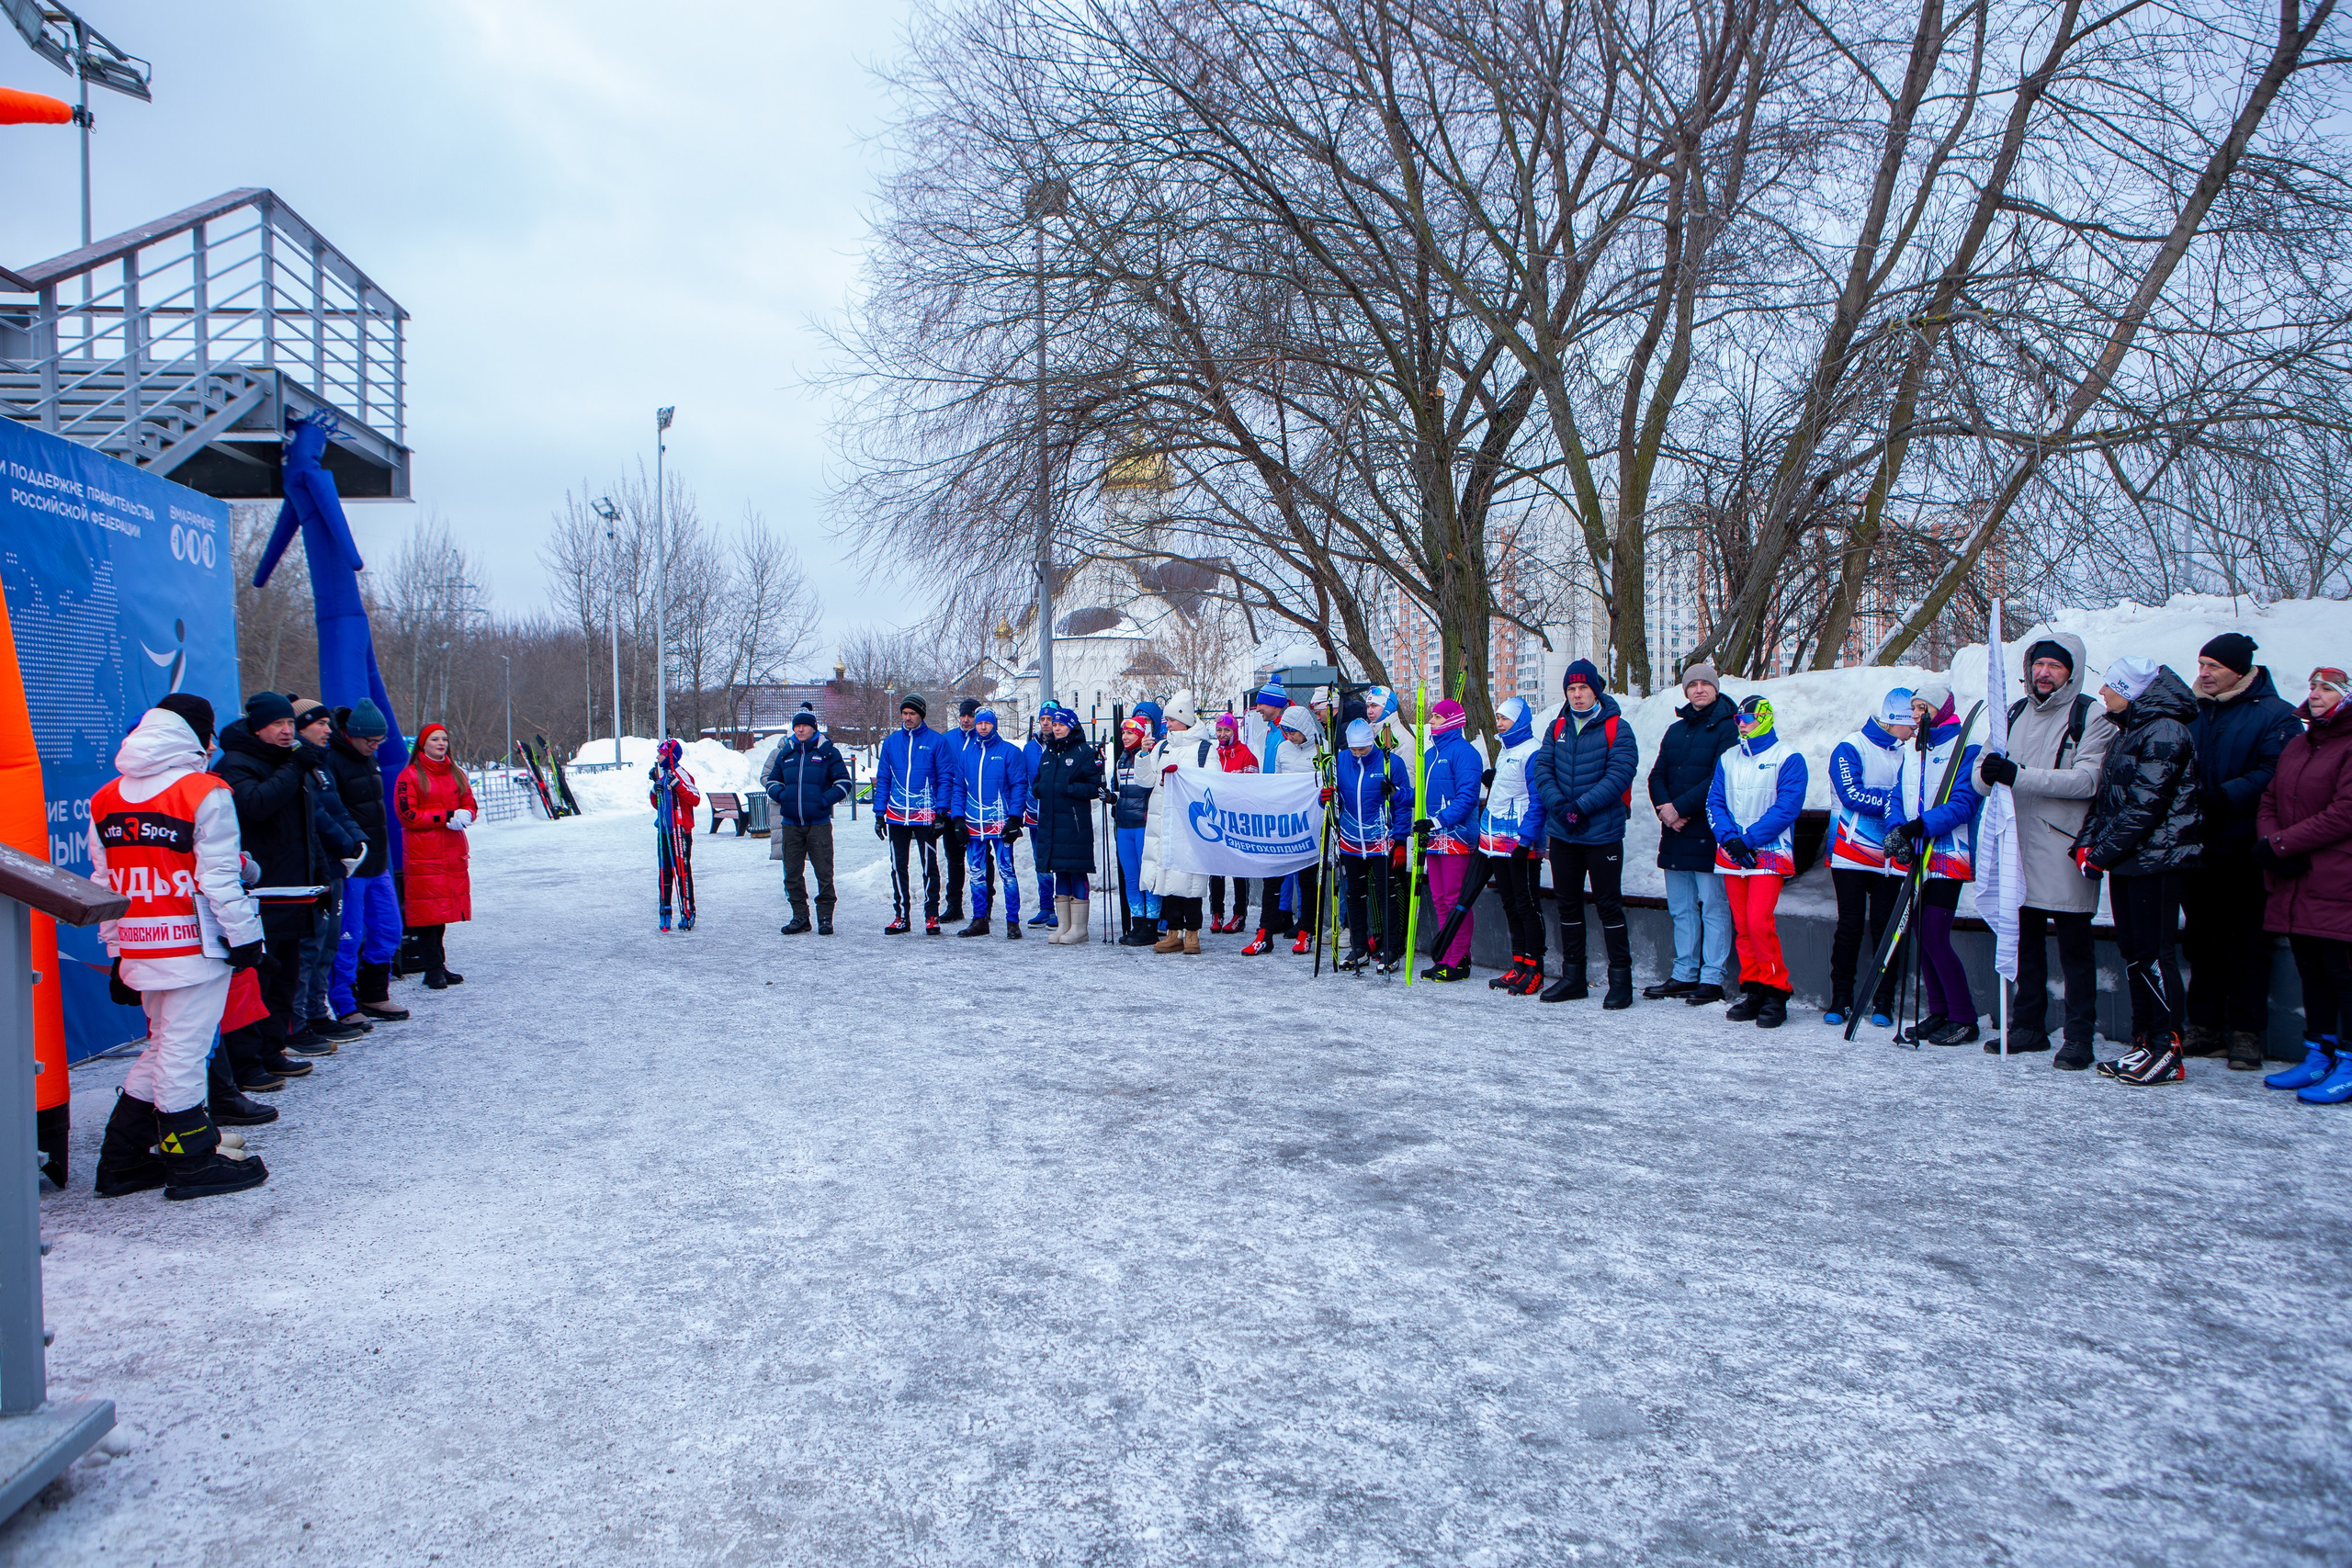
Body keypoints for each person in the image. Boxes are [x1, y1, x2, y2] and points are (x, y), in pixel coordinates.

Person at [89, 697, 269, 1201]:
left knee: (164, 1048)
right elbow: (219, 877)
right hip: (193, 947)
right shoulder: (204, 791)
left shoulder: (106, 798)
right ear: (198, 736)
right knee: (183, 1055)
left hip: (141, 946)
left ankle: (122, 1161)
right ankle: (191, 1162)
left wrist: (117, 953)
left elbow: (104, 884)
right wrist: (247, 938)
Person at [1974, 632, 2114, 1067]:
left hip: (2063, 847)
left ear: (2071, 672)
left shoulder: (2091, 715)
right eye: (2039, 664)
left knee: (2075, 950)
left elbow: (2088, 780)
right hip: (2015, 847)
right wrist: (1990, 773)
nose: (2044, 672)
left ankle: (2078, 1036)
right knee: (2024, 945)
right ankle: (2028, 1026)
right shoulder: (2013, 712)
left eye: (2055, 666)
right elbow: (1981, 774)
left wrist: (2018, 775)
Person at [2075, 657, 2203, 1086]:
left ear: (2130, 691)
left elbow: (2145, 805)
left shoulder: (2165, 730)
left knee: (2153, 953)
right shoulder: (2129, 731)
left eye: (2111, 688)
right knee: (2134, 950)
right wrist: (2088, 843)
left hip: (2157, 859)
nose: (2104, 694)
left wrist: (2102, 853)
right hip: (2130, 859)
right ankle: (2145, 1039)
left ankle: (2167, 1047)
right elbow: (2109, 799)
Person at [2184, 633, 2304, 1069]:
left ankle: (2246, 1033)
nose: (2204, 674)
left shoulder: (2276, 714)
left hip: (2244, 846)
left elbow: (2278, 772)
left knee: (2247, 942)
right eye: (2201, 664)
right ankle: (2204, 1027)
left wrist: (2224, 795)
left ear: (2240, 669)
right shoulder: (2192, 710)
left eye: (2213, 666)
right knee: (2201, 940)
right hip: (2197, 846)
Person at [214, 691, 327, 1087]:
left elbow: (306, 824)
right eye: (277, 724)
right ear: (257, 727)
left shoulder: (290, 761)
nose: (286, 731)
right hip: (259, 891)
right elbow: (255, 805)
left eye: (289, 724)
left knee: (286, 977)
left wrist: (320, 877)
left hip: (294, 888)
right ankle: (247, 1062)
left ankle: (273, 1049)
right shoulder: (235, 762)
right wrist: (294, 769)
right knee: (256, 980)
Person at [2258, 666, 2352, 1103]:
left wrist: (2280, 844)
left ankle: (2349, 1063)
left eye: (2327, 689)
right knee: (2311, 970)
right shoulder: (2300, 742)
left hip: (2337, 879)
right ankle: (2320, 1054)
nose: (2315, 694)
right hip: (2296, 878)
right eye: (2313, 686)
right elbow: (2271, 797)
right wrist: (2272, 841)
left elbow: (2344, 813)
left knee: (2343, 973)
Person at [1529, 661, 1640, 1005]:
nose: (1577, 695)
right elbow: (1542, 768)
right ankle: (1572, 976)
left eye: (1583, 689)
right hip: (1564, 833)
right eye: (1571, 690)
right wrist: (1559, 805)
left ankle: (1621, 981)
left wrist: (1582, 807)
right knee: (1568, 906)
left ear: (1596, 690)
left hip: (1601, 833)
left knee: (1608, 906)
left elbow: (1621, 773)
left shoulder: (1617, 728)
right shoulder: (1556, 726)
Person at [1884, 682, 1986, 1047]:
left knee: (1933, 934)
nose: (1914, 715)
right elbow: (1899, 792)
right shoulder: (1914, 749)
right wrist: (1900, 831)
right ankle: (1940, 1010)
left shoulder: (1964, 748)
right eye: (1913, 709)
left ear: (1940, 710)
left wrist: (1921, 827)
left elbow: (1963, 803)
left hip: (1948, 852)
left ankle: (1964, 1016)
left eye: (1921, 709)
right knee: (1917, 932)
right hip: (1918, 852)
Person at [1706, 695, 1807, 1028]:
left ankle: (1777, 989)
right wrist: (1729, 838)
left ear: (1764, 717)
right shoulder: (1728, 757)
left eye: (1747, 718)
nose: (1742, 724)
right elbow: (1715, 802)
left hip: (1769, 854)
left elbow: (1787, 807)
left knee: (1759, 921)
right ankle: (1753, 988)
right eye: (1738, 719)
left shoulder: (1788, 757)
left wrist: (1748, 840)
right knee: (1743, 925)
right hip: (1733, 853)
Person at [1646, 664, 1740, 1006]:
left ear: (1715, 688)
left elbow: (1720, 776)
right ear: (1685, 691)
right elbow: (1657, 775)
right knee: (1681, 907)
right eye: (1693, 685)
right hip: (1675, 831)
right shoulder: (1676, 730)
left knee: (1713, 906)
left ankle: (1712, 977)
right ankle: (1684, 973)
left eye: (1705, 684)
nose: (1699, 690)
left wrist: (1680, 808)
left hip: (1707, 829)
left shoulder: (1729, 728)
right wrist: (1665, 809)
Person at [1445, 696, 1547, 992]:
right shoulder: (1506, 749)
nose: (1499, 723)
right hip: (1496, 842)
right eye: (1499, 718)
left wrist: (1526, 841)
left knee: (1527, 905)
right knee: (1510, 903)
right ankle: (1518, 965)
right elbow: (1507, 791)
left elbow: (1536, 800)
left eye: (1506, 719)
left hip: (1520, 843)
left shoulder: (1532, 751)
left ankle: (1535, 966)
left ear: (1520, 721)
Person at [288, 700, 366, 1049]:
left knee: (327, 944)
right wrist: (345, 843)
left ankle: (318, 1013)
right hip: (311, 867)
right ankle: (299, 1022)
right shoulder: (295, 762)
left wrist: (358, 843)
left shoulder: (321, 764)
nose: (328, 729)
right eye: (319, 723)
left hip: (334, 865)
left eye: (327, 723)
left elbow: (337, 807)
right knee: (309, 946)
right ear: (299, 726)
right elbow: (317, 815)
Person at [325, 700, 407, 1026]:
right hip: (350, 865)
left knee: (390, 929)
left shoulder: (367, 757)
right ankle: (343, 1002)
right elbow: (332, 812)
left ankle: (375, 992)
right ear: (352, 734)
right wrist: (346, 849)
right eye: (370, 742)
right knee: (349, 936)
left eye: (379, 742)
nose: (374, 747)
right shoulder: (331, 759)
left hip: (377, 863)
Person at [394, 721, 478, 987]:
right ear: (423, 743)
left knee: (441, 913)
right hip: (423, 852)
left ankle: (438, 964)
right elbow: (407, 814)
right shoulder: (409, 775)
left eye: (444, 739)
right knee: (426, 913)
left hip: (451, 850)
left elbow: (469, 802)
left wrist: (467, 815)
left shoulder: (456, 773)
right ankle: (432, 968)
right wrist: (445, 816)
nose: (441, 744)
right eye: (434, 740)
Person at [1333, 716, 1415, 973]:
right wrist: (1325, 797)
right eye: (1353, 748)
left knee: (1386, 895)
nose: (1357, 753)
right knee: (1355, 896)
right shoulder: (1340, 761)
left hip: (1382, 840)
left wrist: (1400, 840)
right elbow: (1331, 800)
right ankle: (1359, 947)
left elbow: (1405, 802)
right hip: (1351, 840)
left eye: (1363, 749)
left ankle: (1391, 948)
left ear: (1372, 744)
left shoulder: (1391, 762)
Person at [1415, 698, 1487, 983]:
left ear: (1453, 721)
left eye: (1437, 717)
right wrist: (1396, 792)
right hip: (1433, 838)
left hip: (1456, 837)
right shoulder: (1431, 754)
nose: (1431, 722)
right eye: (1431, 716)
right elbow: (1422, 795)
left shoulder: (1465, 753)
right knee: (1440, 899)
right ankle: (1447, 954)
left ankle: (1458, 958)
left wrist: (1439, 821)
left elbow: (1468, 797)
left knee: (1455, 899)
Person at [944, 707, 1032, 938]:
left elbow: (1019, 786)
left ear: (994, 725)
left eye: (987, 723)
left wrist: (1015, 818)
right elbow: (959, 788)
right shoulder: (966, 754)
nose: (982, 727)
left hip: (1000, 823)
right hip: (974, 822)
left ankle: (1013, 922)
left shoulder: (1009, 752)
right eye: (980, 723)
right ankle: (980, 919)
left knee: (1006, 872)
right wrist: (958, 819)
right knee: (976, 872)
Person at [1242, 705, 1322, 954]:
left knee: (1307, 880)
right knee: (1272, 875)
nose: (1290, 736)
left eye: (1294, 731)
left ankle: (1306, 931)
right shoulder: (1282, 749)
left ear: (1305, 728)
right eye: (1286, 730)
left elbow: (1328, 782)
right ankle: (1264, 932)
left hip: (1309, 824)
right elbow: (1277, 781)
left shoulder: (1323, 749)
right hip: (1284, 823)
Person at [764, 707, 852, 935]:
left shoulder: (827, 752)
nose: (800, 729)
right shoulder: (786, 753)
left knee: (824, 872)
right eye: (796, 726)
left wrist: (824, 801)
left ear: (813, 727)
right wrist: (782, 796)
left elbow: (844, 783)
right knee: (792, 872)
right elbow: (771, 781)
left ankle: (825, 917)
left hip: (819, 823)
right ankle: (800, 917)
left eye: (804, 725)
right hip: (791, 824)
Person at [872, 694, 954, 935]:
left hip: (926, 815)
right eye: (904, 714)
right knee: (898, 867)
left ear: (921, 715)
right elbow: (884, 780)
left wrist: (941, 812)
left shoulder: (936, 742)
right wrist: (879, 813)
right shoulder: (891, 743)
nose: (908, 718)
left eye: (912, 714)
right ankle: (901, 915)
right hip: (897, 814)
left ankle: (931, 915)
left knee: (929, 866)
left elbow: (945, 779)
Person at [1141, 693, 1217, 952]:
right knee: (1168, 878)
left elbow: (1213, 785)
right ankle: (1173, 930)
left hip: (1190, 824)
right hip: (1164, 823)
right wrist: (1143, 755)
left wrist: (1183, 779)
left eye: (1171, 719)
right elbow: (1146, 780)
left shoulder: (1205, 749)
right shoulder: (1163, 747)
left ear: (1184, 719)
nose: (1167, 724)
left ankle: (1192, 932)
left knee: (1191, 879)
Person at [1029, 705, 1105, 945]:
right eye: (1055, 724)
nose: (1057, 728)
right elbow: (1037, 782)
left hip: (1074, 824)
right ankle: (1064, 925)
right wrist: (1041, 789)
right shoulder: (1049, 752)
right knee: (1059, 871)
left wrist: (1069, 789)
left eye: (1062, 724)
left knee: (1075, 871)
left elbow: (1094, 787)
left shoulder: (1083, 752)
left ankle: (1079, 928)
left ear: (1071, 727)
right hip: (1051, 823)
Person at [1110, 705, 1162, 945]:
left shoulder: (1150, 755)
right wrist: (1111, 798)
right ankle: (1137, 923)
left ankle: (1151, 926)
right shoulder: (1121, 757)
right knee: (1131, 876)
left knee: (1146, 875)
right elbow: (1119, 788)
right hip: (1124, 823)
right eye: (1124, 733)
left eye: (1131, 733)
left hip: (1142, 823)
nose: (1126, 737)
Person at [1208, 713, 1260, 931]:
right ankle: (1216, 913)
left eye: (1227, 730)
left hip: (1238, 822)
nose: (1222, 734)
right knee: (1216, 868)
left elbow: (1251, 789)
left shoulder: (1247, 755)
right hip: (1217, 820)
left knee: (1240, 869)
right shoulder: (1214, 755)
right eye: (1219, 730)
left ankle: (1239, 914)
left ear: (1235, 731)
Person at [647, 738, 702, 931]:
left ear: (670, 756)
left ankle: (688, 911)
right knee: (665, 872)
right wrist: (655, 791)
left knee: (682, 871)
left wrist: (677, 784)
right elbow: (658, 805)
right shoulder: (662, 775)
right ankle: (665, 911)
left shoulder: (680, 773)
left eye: (661, 753)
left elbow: (695, 799)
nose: (657, 756)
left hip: (680, 831)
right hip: (664, 830)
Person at [943, 698, 982, 921]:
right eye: (963, 715)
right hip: (951, 811)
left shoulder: (984, 739)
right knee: (954, 859)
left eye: (971, 716)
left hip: (978, 812)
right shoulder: (947, 739)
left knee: (982, 859)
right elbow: (940, 774)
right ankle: (954, 905)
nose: (966, 720)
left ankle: (984, 905)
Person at [1019, 714, 1058, 928]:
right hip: (1036, 815)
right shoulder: (1029, 749)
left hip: (1058, 814)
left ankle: (1064, 907)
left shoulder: (1063, 745)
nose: (1045, 723)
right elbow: (1023, 780)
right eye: (1042, 718)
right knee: (1040, 861)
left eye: (1050, 719)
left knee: (1060, 860)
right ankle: (1046, 907)